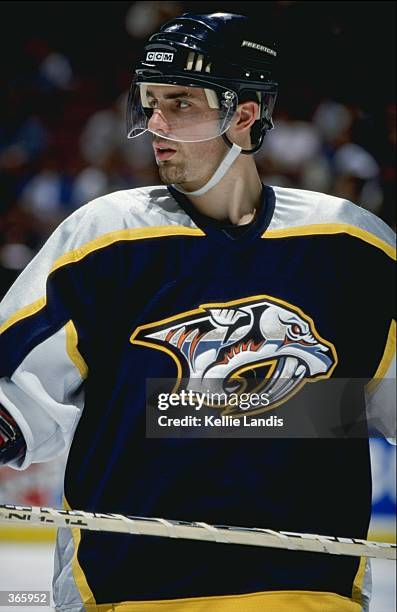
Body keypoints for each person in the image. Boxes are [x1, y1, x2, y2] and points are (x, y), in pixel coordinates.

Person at [0, 12, 395, 612]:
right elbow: (17, 400)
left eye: (180, 103)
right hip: (129, 596)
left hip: (308, 597)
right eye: (150, 103)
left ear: (245, 114)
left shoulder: (352, 246)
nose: (155, 124)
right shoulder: (103, 238)